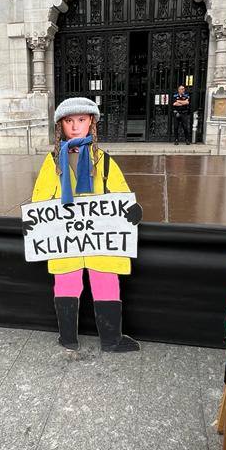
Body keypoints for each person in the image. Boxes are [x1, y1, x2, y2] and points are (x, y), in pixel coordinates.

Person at [28, 97, 143, 354]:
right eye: (69, 121)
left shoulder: (103, 160)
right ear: (61, 125)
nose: (76, 126)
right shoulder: (53, 162)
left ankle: (111, 339)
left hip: (99, 240)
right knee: (66, 283)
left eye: (81, 120)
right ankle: (67, 337)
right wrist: (33, 221)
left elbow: (120, 193)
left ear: (91, 121)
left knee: (106, 281)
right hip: (66, 240)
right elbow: (40, 196)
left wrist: (132, 210)